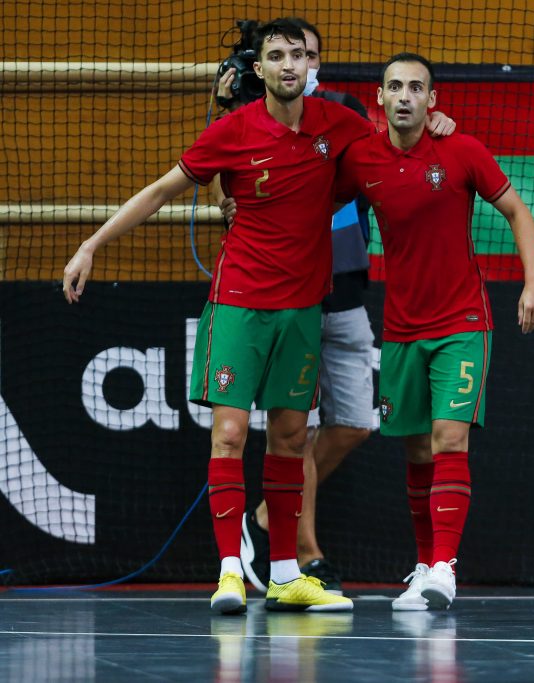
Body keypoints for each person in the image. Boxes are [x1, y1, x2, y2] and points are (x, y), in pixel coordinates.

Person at [63, 18, 375, 615]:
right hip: (239, 306)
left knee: (290, 439)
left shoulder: (340, 125)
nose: (288, 64)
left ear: (311, 68)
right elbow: (158, 192)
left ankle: (285, 574)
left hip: (303, 310)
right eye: (276, 55)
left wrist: (438, 125)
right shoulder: (234, 130)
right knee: (230, 435)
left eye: (297, 56)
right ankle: (231, 571)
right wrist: (91, 245)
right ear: (259, 70)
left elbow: (393, 159)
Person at [215, 20, 456, 597]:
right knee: (290, 430)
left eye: (310, 54)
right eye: (289, 54)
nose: (302, 63)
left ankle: (273, 515)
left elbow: (401, 142)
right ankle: (302, 554)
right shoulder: (253, 114)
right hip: (278, 294)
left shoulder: (344, 113)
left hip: (344, 292)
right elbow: (226, 183)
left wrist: (439, 127)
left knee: (352, 424)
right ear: (270, 63)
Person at [334, 53, 534, 611]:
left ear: (432, 101)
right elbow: (308, 203)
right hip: (402, 328)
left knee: (449, 438)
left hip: (462, 323)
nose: (405, 95)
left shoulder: (462, 151)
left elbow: (518, 213)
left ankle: (445, 568)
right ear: (379, 99)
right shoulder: (361, 159)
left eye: (416, 88)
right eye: (394, 87)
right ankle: (424, 566)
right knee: (416, 452)